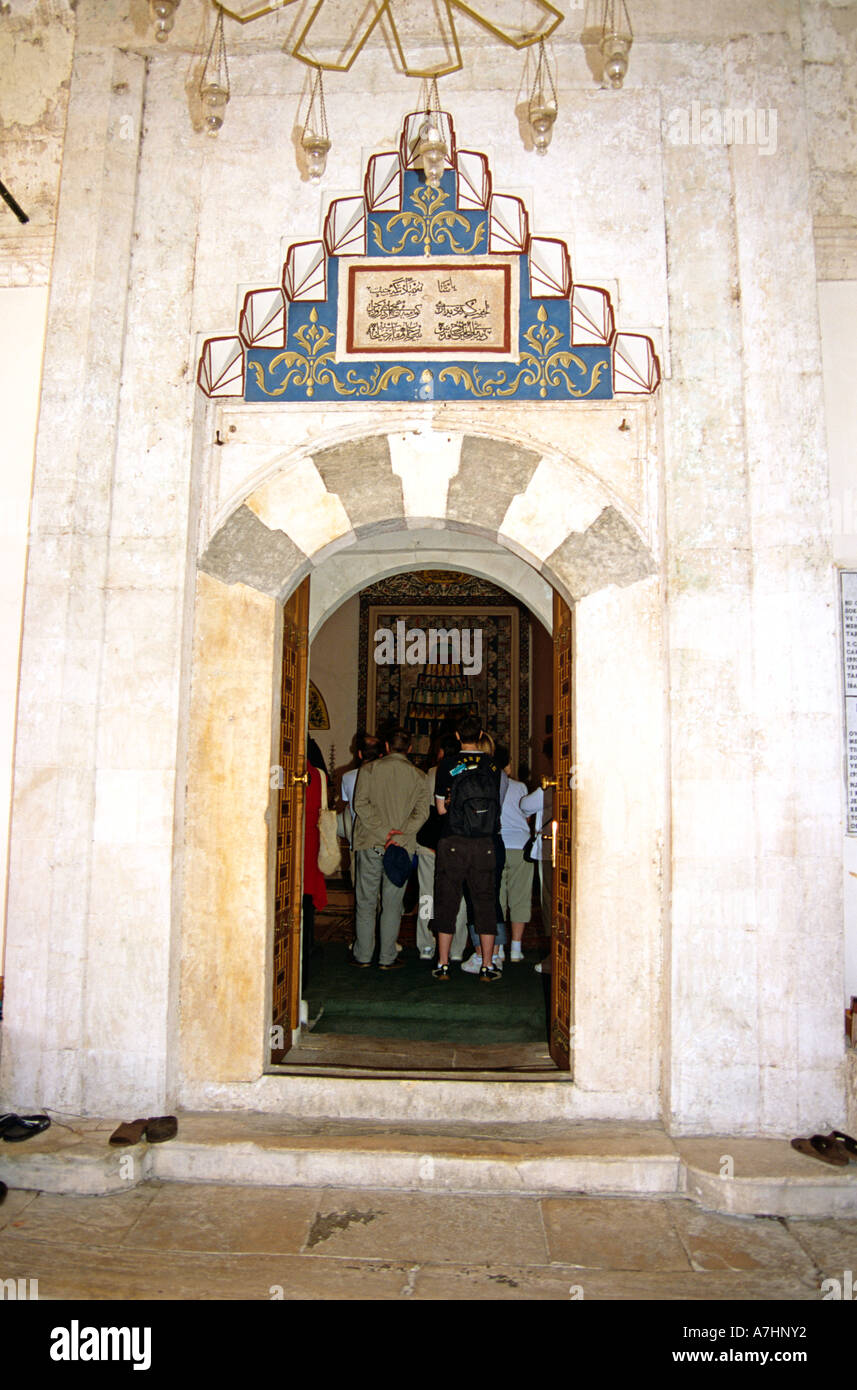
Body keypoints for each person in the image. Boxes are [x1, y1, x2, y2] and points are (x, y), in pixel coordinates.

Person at [351, 726, 429, 969]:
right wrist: (400, 834)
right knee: (393, 904)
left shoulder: (369, 770)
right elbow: (422, 813)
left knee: (366, 902)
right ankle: (387, 957)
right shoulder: (419, 776)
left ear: (386, 747)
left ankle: (363, 955)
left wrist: (384, 832)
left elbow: (360, 805)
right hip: (402, 847)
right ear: (409, 749)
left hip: (371, 842)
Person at [432, 716, 503, 984]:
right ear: (482, 733)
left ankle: (443, 963)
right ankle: (487, 964)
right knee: (484, 902)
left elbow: (440, 810)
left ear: (458, 736)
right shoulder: (493, 765)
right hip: (484, 842)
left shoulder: (447, 765)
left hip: (453, 840)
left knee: (447, 901)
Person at [415, 733, 469, 962]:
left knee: (427, 894)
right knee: (459, 896)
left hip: (430, 842)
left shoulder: (431, 773)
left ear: (439, 752)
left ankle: (427, 944)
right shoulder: (466, 772)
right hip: (458, 838)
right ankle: (456, 948)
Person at [520, 781, 553, 974]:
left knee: (549, 902)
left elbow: (526, 805)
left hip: (551, 851)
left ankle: (553, 955)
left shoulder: (553, 786)